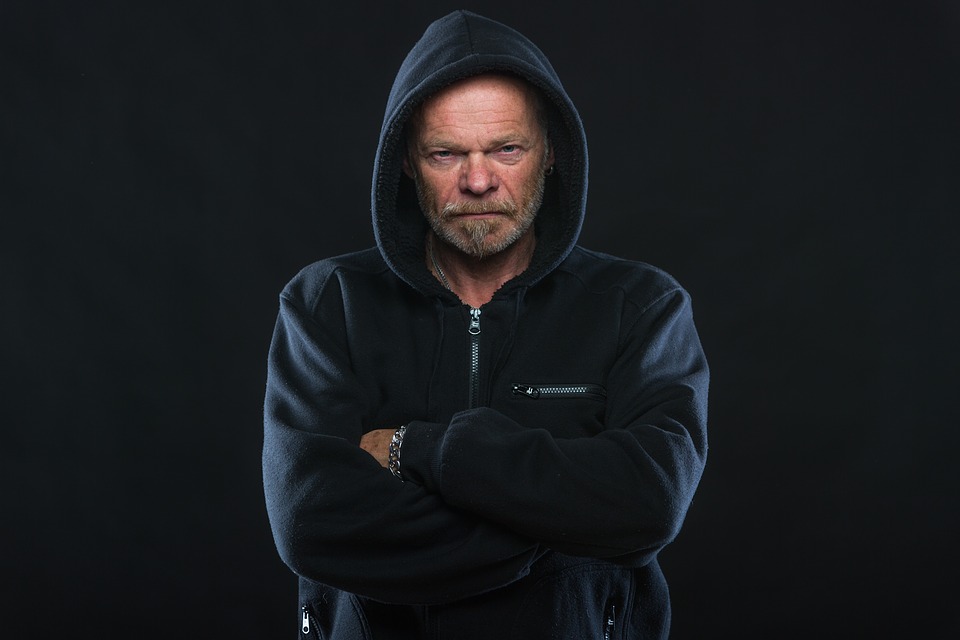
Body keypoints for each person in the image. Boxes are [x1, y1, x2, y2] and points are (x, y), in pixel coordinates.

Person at [263, 9, 709, 639]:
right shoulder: (327, 303)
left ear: (550, 152)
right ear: (409, 164)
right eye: (446, 153)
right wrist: (560, 515)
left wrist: (415, 449)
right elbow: (311, 520)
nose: (477, 180)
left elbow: (649, 501)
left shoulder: (639, 306)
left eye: (507, 149)